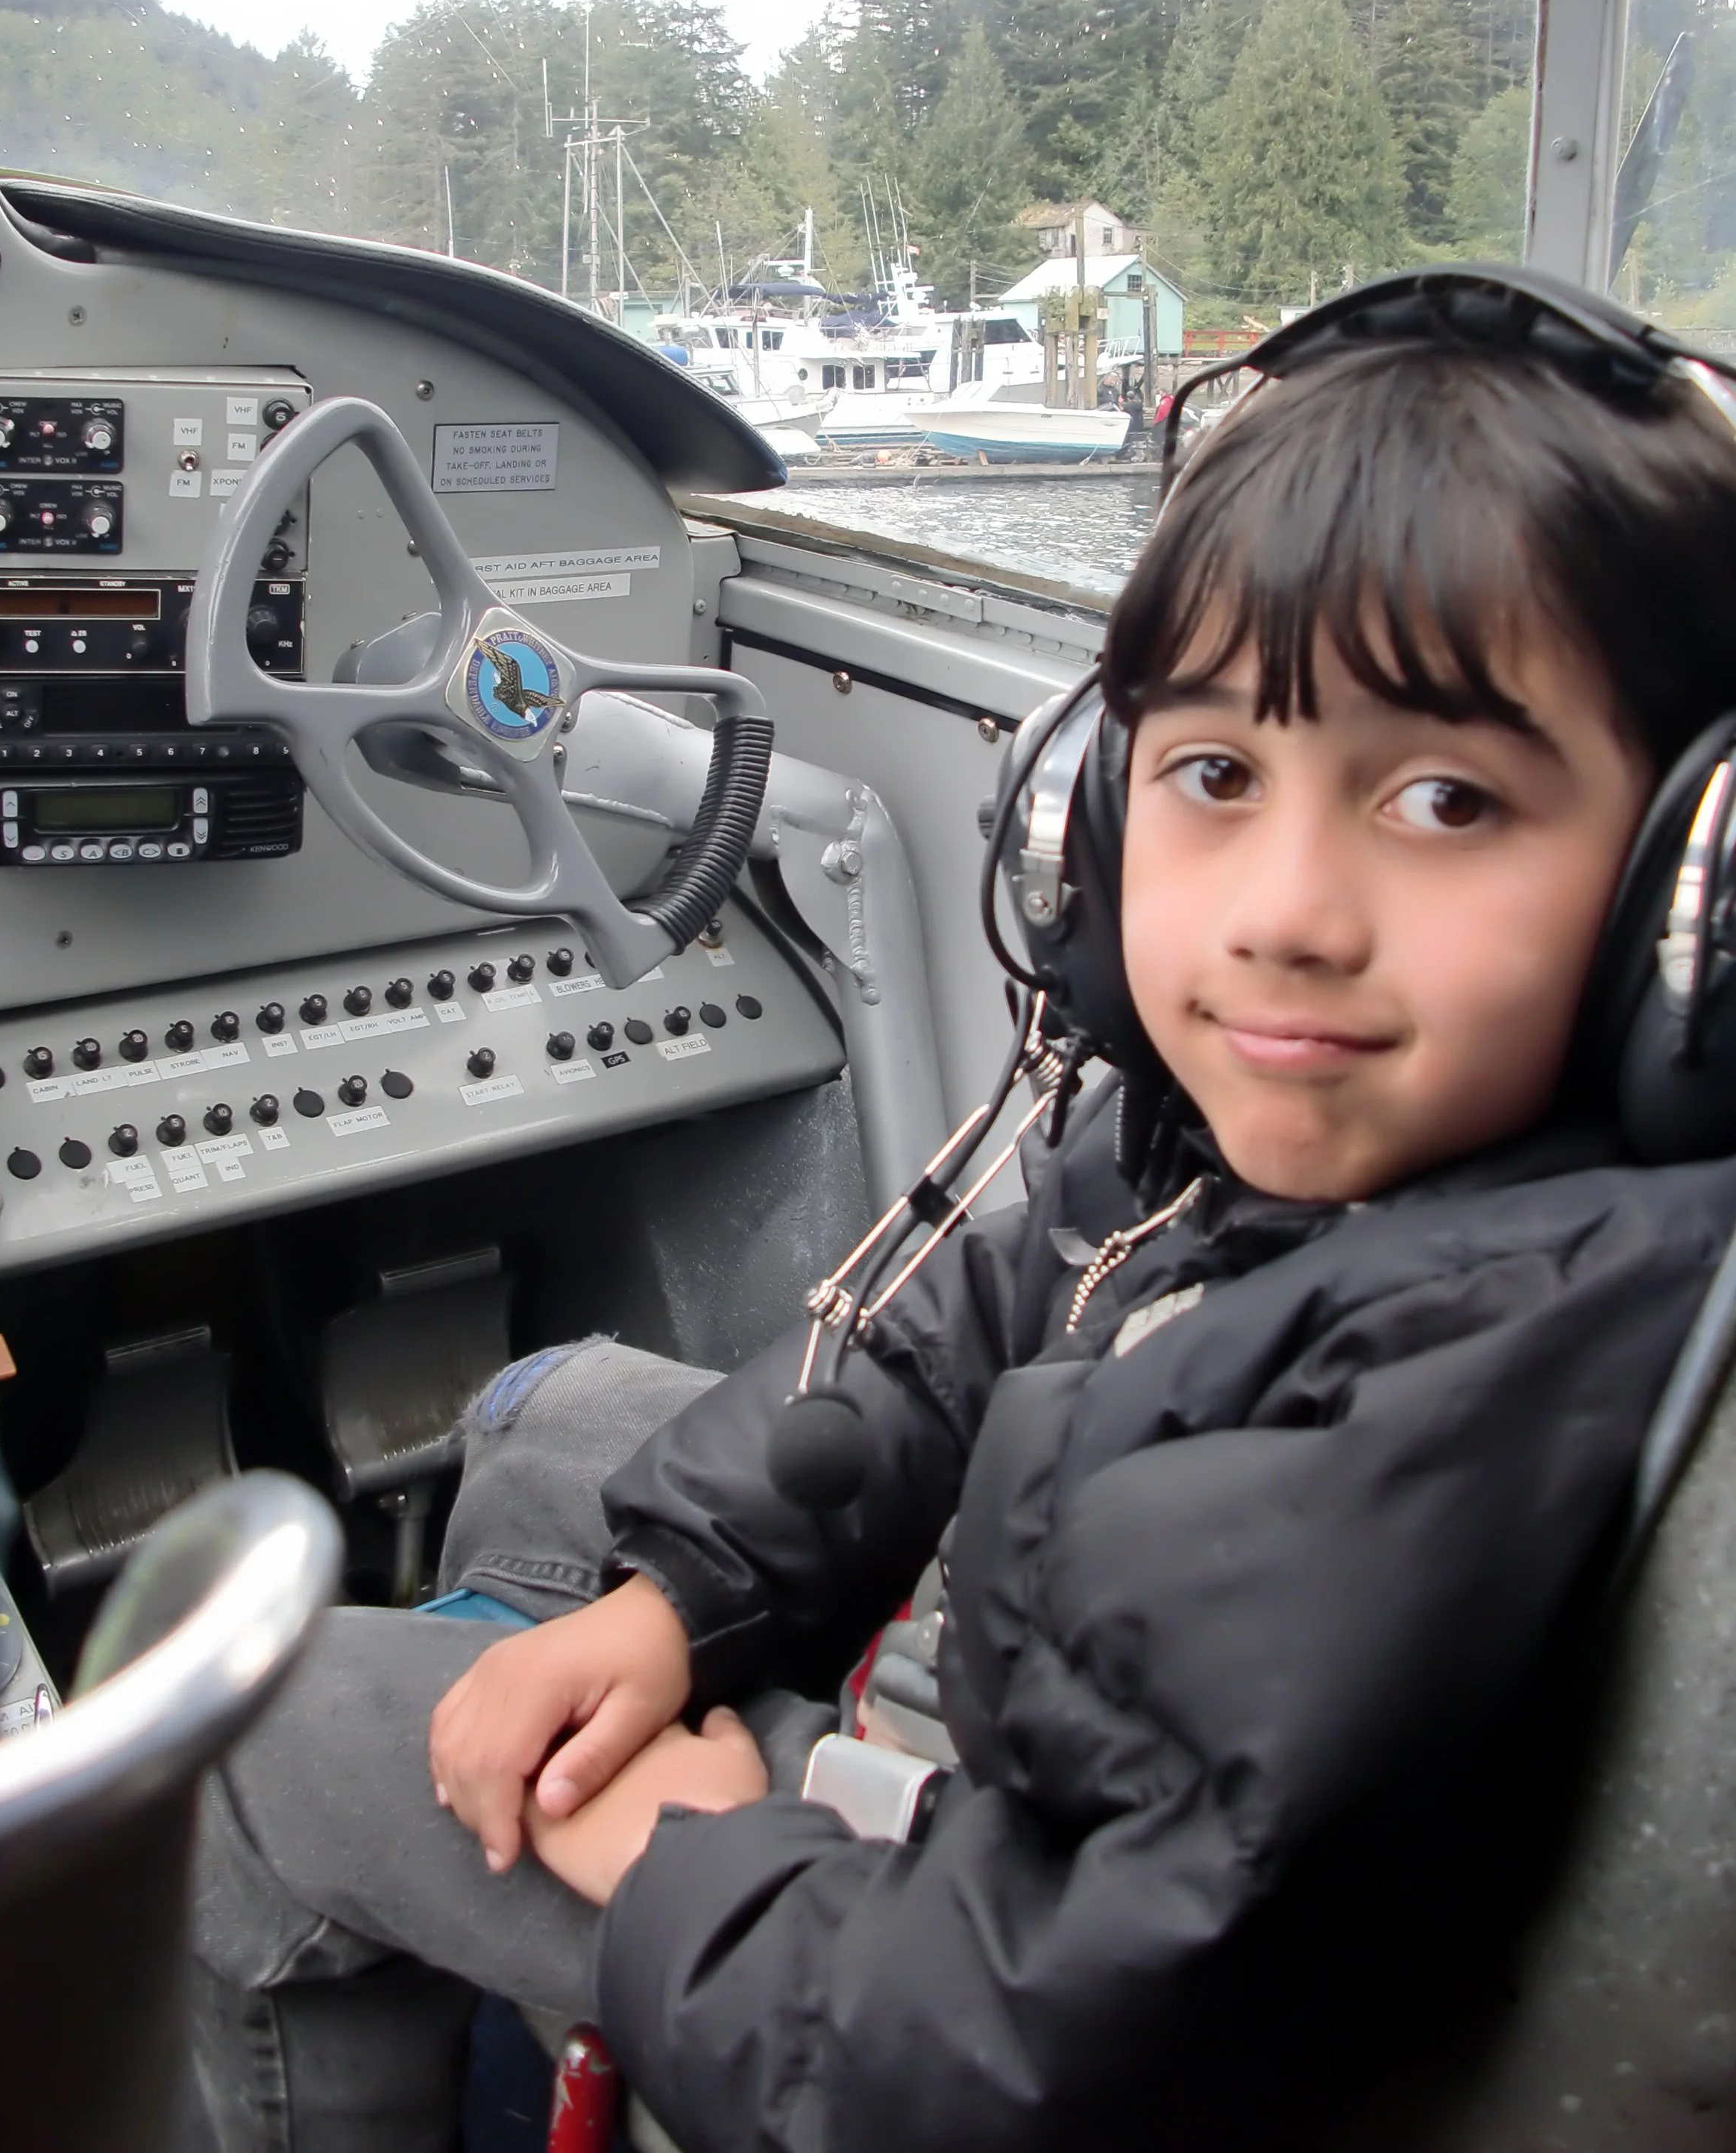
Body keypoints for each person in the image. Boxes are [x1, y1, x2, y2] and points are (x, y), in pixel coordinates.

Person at [185, 294, 1736, 2153]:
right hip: (1039, 1792)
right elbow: (975, 1305)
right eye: (1216, 774)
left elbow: (1037, 2054)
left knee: (263, 1731)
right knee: (543, 1424)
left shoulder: (1463, 1362)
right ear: (1089, 803)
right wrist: (675, 1602)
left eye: (1440, 797)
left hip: (972, 1977)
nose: (1285, 914)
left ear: (1689, 891)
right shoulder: (1268, 1131)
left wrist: (693, 1855)